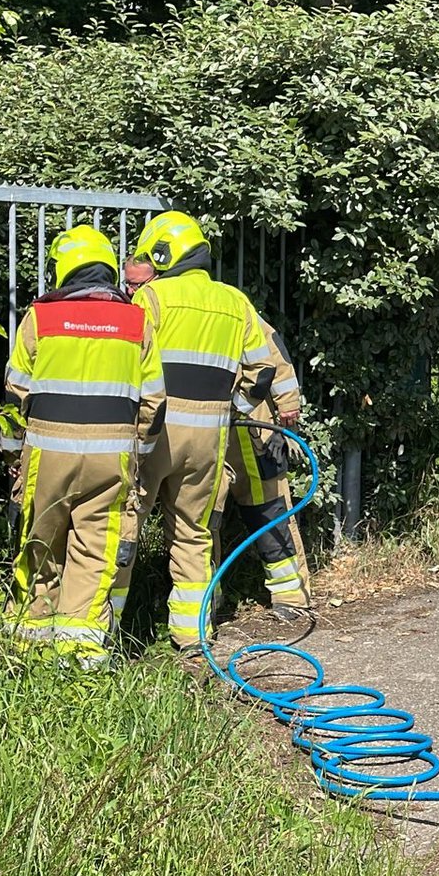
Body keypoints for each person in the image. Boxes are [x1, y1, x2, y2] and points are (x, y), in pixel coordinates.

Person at [118, 210, 300, 650]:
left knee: (124, 528)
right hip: (208, 441)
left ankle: (106, 630)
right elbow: (262, 370)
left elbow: (129, 363)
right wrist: (230, 410)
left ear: (163, 252)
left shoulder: (152, 299)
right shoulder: (234, 302)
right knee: (194, 533)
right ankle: (193, 634)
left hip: (155, 435)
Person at [3, 225, 165, 667]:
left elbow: (15, 394)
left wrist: (13, 454)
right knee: (96, 552)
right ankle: (80, 656)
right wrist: (139, 455)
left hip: (47, 456)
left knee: (41, 545)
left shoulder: (40, 317)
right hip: (110, 459)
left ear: (63, 269)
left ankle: (27, 646)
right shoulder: (137, 321)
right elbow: (154, 401)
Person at [218, 311, 314, 623]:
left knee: (269, 507)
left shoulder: (229, 303)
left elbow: (272, 352)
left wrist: (287, 401)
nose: (134, 286)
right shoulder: (152, 302)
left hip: (249, 424)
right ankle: (207, 600)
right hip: (204, 427)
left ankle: (290, 594)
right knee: (201, 518)